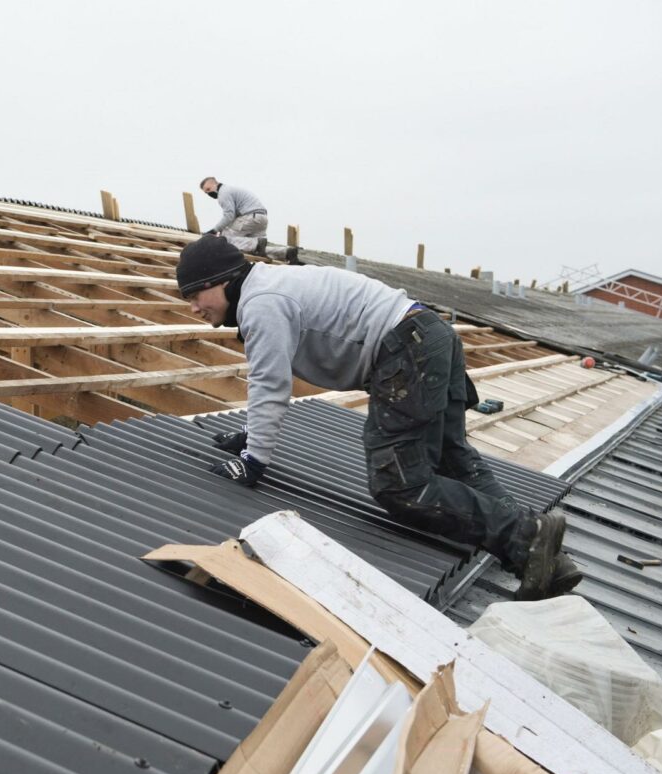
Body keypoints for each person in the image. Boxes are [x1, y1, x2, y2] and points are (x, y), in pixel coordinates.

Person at [176, 235, 582, 601]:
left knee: (399, 485)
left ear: (225, 280)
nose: (194, 307)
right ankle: (543, 558)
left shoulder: (261, 303)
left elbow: (269, 383)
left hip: (407, 348)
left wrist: (253, 459)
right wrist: (251, 436)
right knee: (451, 459)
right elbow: (270, 379)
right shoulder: (271, 287)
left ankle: (527, 535)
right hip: (430, 334)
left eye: (197, 293)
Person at [199, 176, 299, 262]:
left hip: (251, 217)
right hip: (261, 219)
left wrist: (214, 230)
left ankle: (257, 243)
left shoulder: (223, 194)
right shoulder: (230, 190)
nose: (208, 193)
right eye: (205, 192)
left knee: (225, 239)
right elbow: (234, 217)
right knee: (257, 251)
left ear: (214, 184)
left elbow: (229, 215)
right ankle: (288, 253)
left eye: (208, 189)